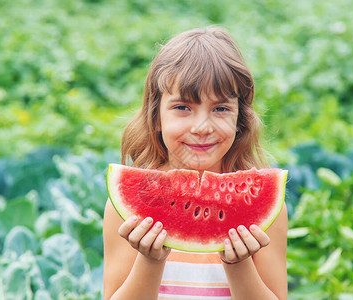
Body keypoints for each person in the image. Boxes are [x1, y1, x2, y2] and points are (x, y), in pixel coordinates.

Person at [103, 26, 288, 300]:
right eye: (183, 108)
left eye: (221, 109)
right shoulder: (124, 209)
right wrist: (151, 261)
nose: (202, 127)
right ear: (156, 117)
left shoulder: (268, 213)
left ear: (240, 120)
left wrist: (238, 265)